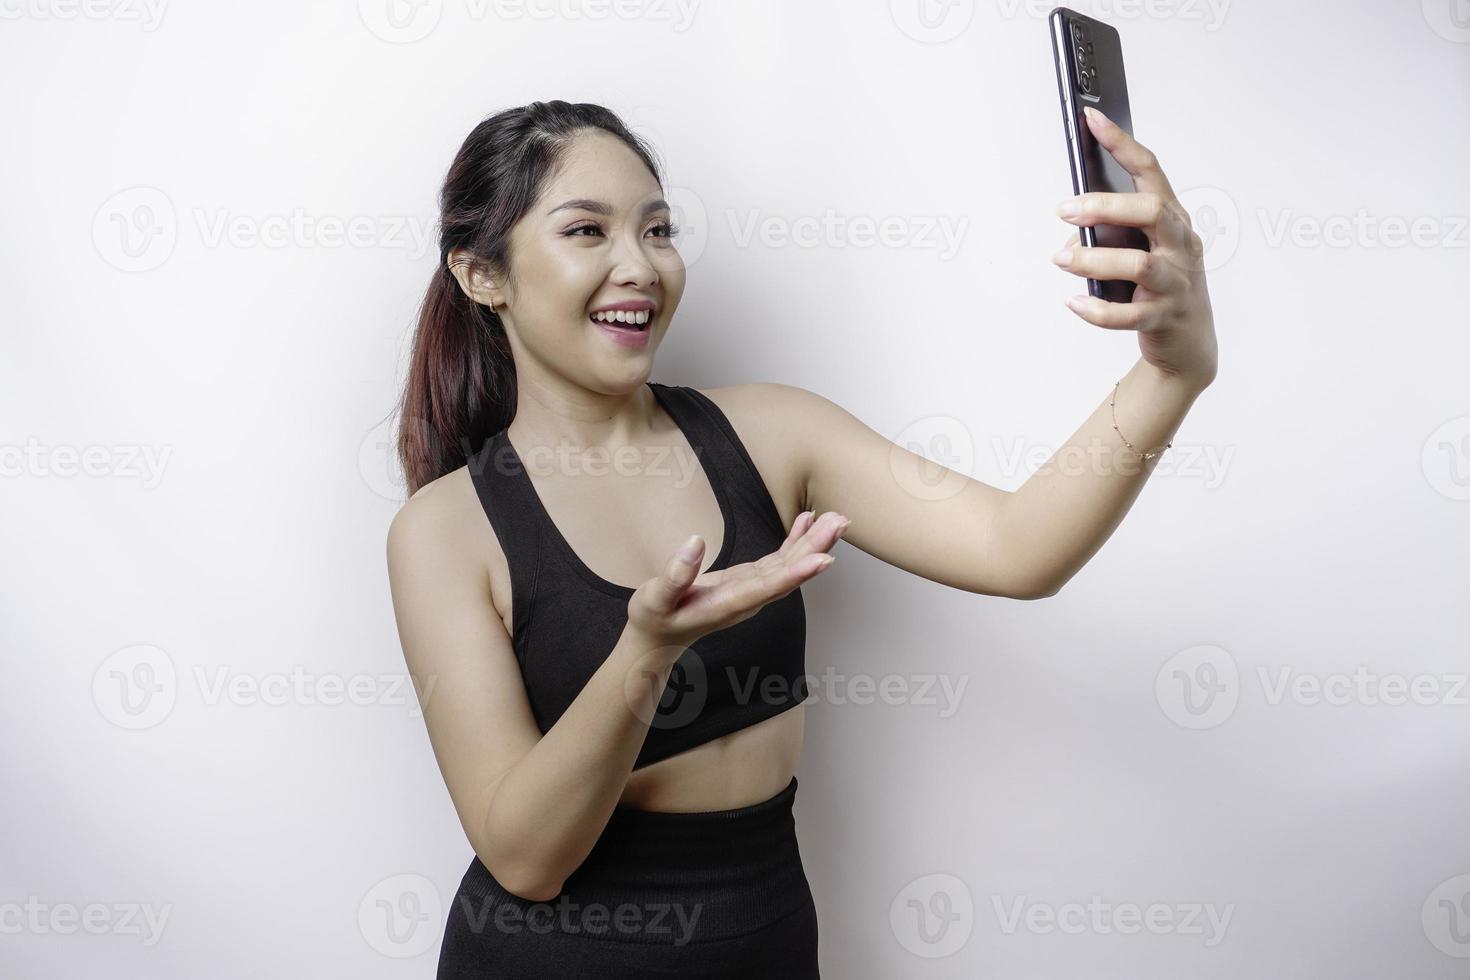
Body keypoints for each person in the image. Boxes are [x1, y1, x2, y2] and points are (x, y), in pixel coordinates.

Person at [385, 100, 1217, 978]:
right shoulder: (445, 530)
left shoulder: (772, 433)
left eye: (657, 229)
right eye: (586, 231)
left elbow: (1017, 549)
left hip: (768, 942)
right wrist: (647, 651)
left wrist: (1171, 375)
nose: (639, 266)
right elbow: (526, 860)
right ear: (483, 275)